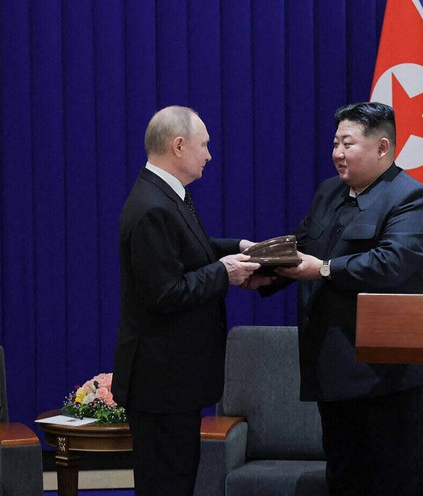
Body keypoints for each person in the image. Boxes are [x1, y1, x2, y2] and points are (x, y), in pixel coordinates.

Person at [263, 102, 423, 495]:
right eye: (335, 143)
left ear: (382, 147)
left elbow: (391, 263)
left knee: (395, 481)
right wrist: (261, 270)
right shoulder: (329, 192)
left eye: (348, 144)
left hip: (389, 376)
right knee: (345, 478)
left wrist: (325, 269)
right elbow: (302, 247)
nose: (338, 153)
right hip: (334, 370)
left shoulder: (412, 198)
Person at [111, 106, 259, 496]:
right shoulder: (153, 207)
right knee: (167, 484)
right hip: (161, 383)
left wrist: (239, 248)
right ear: (178, 146)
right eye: (203, 145)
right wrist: (225, 272)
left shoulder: (165, 195)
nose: (208, 155)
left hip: (174, 381)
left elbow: (191, 250)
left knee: (178, 479)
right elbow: (165, 292)